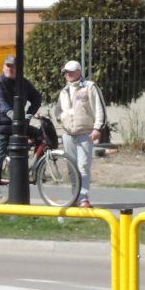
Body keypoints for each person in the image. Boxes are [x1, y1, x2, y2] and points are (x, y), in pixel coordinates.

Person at [0, 54, 42, 202]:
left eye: (13, 66)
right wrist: (11, 114)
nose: (10, 69)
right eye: (8, 66)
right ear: (4, 67)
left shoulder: (22, 83)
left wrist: (29, 115)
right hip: (0, 124)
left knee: (41, 136)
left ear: (18, 68)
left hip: (17, 123)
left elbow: (37, 97)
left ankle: (33, 167)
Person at [55, 59, 107, 209]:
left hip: (85, 133)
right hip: (68, 134)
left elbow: (99, 108)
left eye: (71, 71)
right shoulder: (64, 91)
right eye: (66, 72)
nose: (68, 74)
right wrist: (62, 119)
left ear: (79, 72)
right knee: (72, 167)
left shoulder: (90, 87)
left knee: (83, 166)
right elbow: (58, 110)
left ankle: (83, 198)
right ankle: (75, 197)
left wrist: (97, 128)